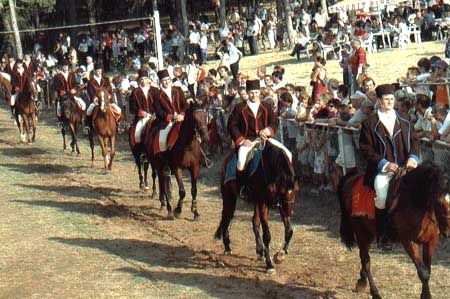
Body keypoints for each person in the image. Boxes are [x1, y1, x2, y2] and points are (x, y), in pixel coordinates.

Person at [359, 84, 419, 249]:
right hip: (383, 169)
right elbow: (365, 149)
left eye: (392, 99)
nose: (390, 102)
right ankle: (383, 234)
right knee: (381, 194)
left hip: (406, 167)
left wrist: (413, 158)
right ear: (379, 100)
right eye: (386, 99)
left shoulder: (405, 119)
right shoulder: (369, 123)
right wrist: (384, 164)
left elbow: (414, 142)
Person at [152, 69, 188, 173]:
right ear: (160, 82)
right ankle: (167, 163)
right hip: (168, 122)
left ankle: (201, 156)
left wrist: (182, 114)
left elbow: (185, 105)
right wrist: (172, 117)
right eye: (164, 80)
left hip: (182, 118)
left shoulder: (178, 90)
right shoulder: (157, 95)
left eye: (168, 79)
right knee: (163, 140)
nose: (167, 82)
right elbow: (159, 112)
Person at [129, 69, 157, 147]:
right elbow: (132, 107)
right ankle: (141, 150)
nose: (143, 81)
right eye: (141, 79)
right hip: (142, 117)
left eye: (145, 79)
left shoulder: (155, 90)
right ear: (139, 80)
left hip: (155, 116)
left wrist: (155, 113)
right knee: (137, 135)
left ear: (148, 79)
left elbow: (159, 104)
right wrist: (140, 112)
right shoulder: (135, 92)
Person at [54, 61, 85, 126]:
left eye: (66, 67)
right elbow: (56, 86)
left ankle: (82, 118)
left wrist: (74, 89)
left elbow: (75, 84)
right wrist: (60, 90)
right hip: (63, 95)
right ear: (62, 67)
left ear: (68, 67)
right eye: (64, 67)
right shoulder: (58, 76)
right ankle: (60, 121)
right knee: (59, 108)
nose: (65, 68)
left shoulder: (72, 74)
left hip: (72, 94)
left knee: (82, 104)